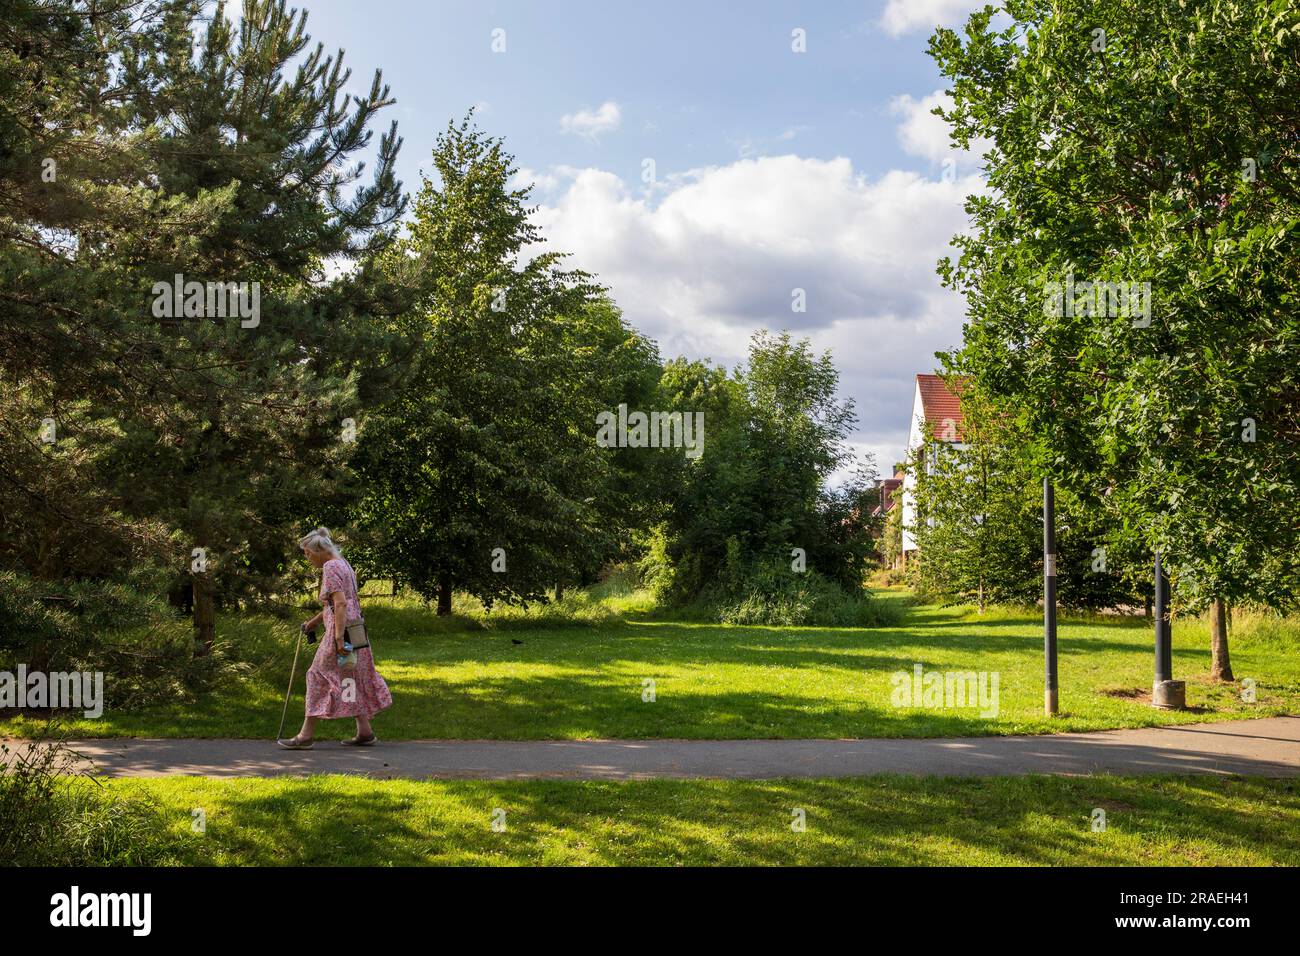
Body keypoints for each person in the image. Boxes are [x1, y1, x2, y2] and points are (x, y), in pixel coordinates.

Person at [277, 527, 392, 749]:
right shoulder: (344, 564)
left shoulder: (330, 567)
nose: (308, 559)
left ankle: (305, 735)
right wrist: (312, 623)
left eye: (308, 554)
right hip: (356, 629)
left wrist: (339, 639)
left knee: (317, 676)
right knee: (352, 675)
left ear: (318, 550)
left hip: (341, 633)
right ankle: (365, 732)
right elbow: (337, 604)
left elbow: (339, 604)